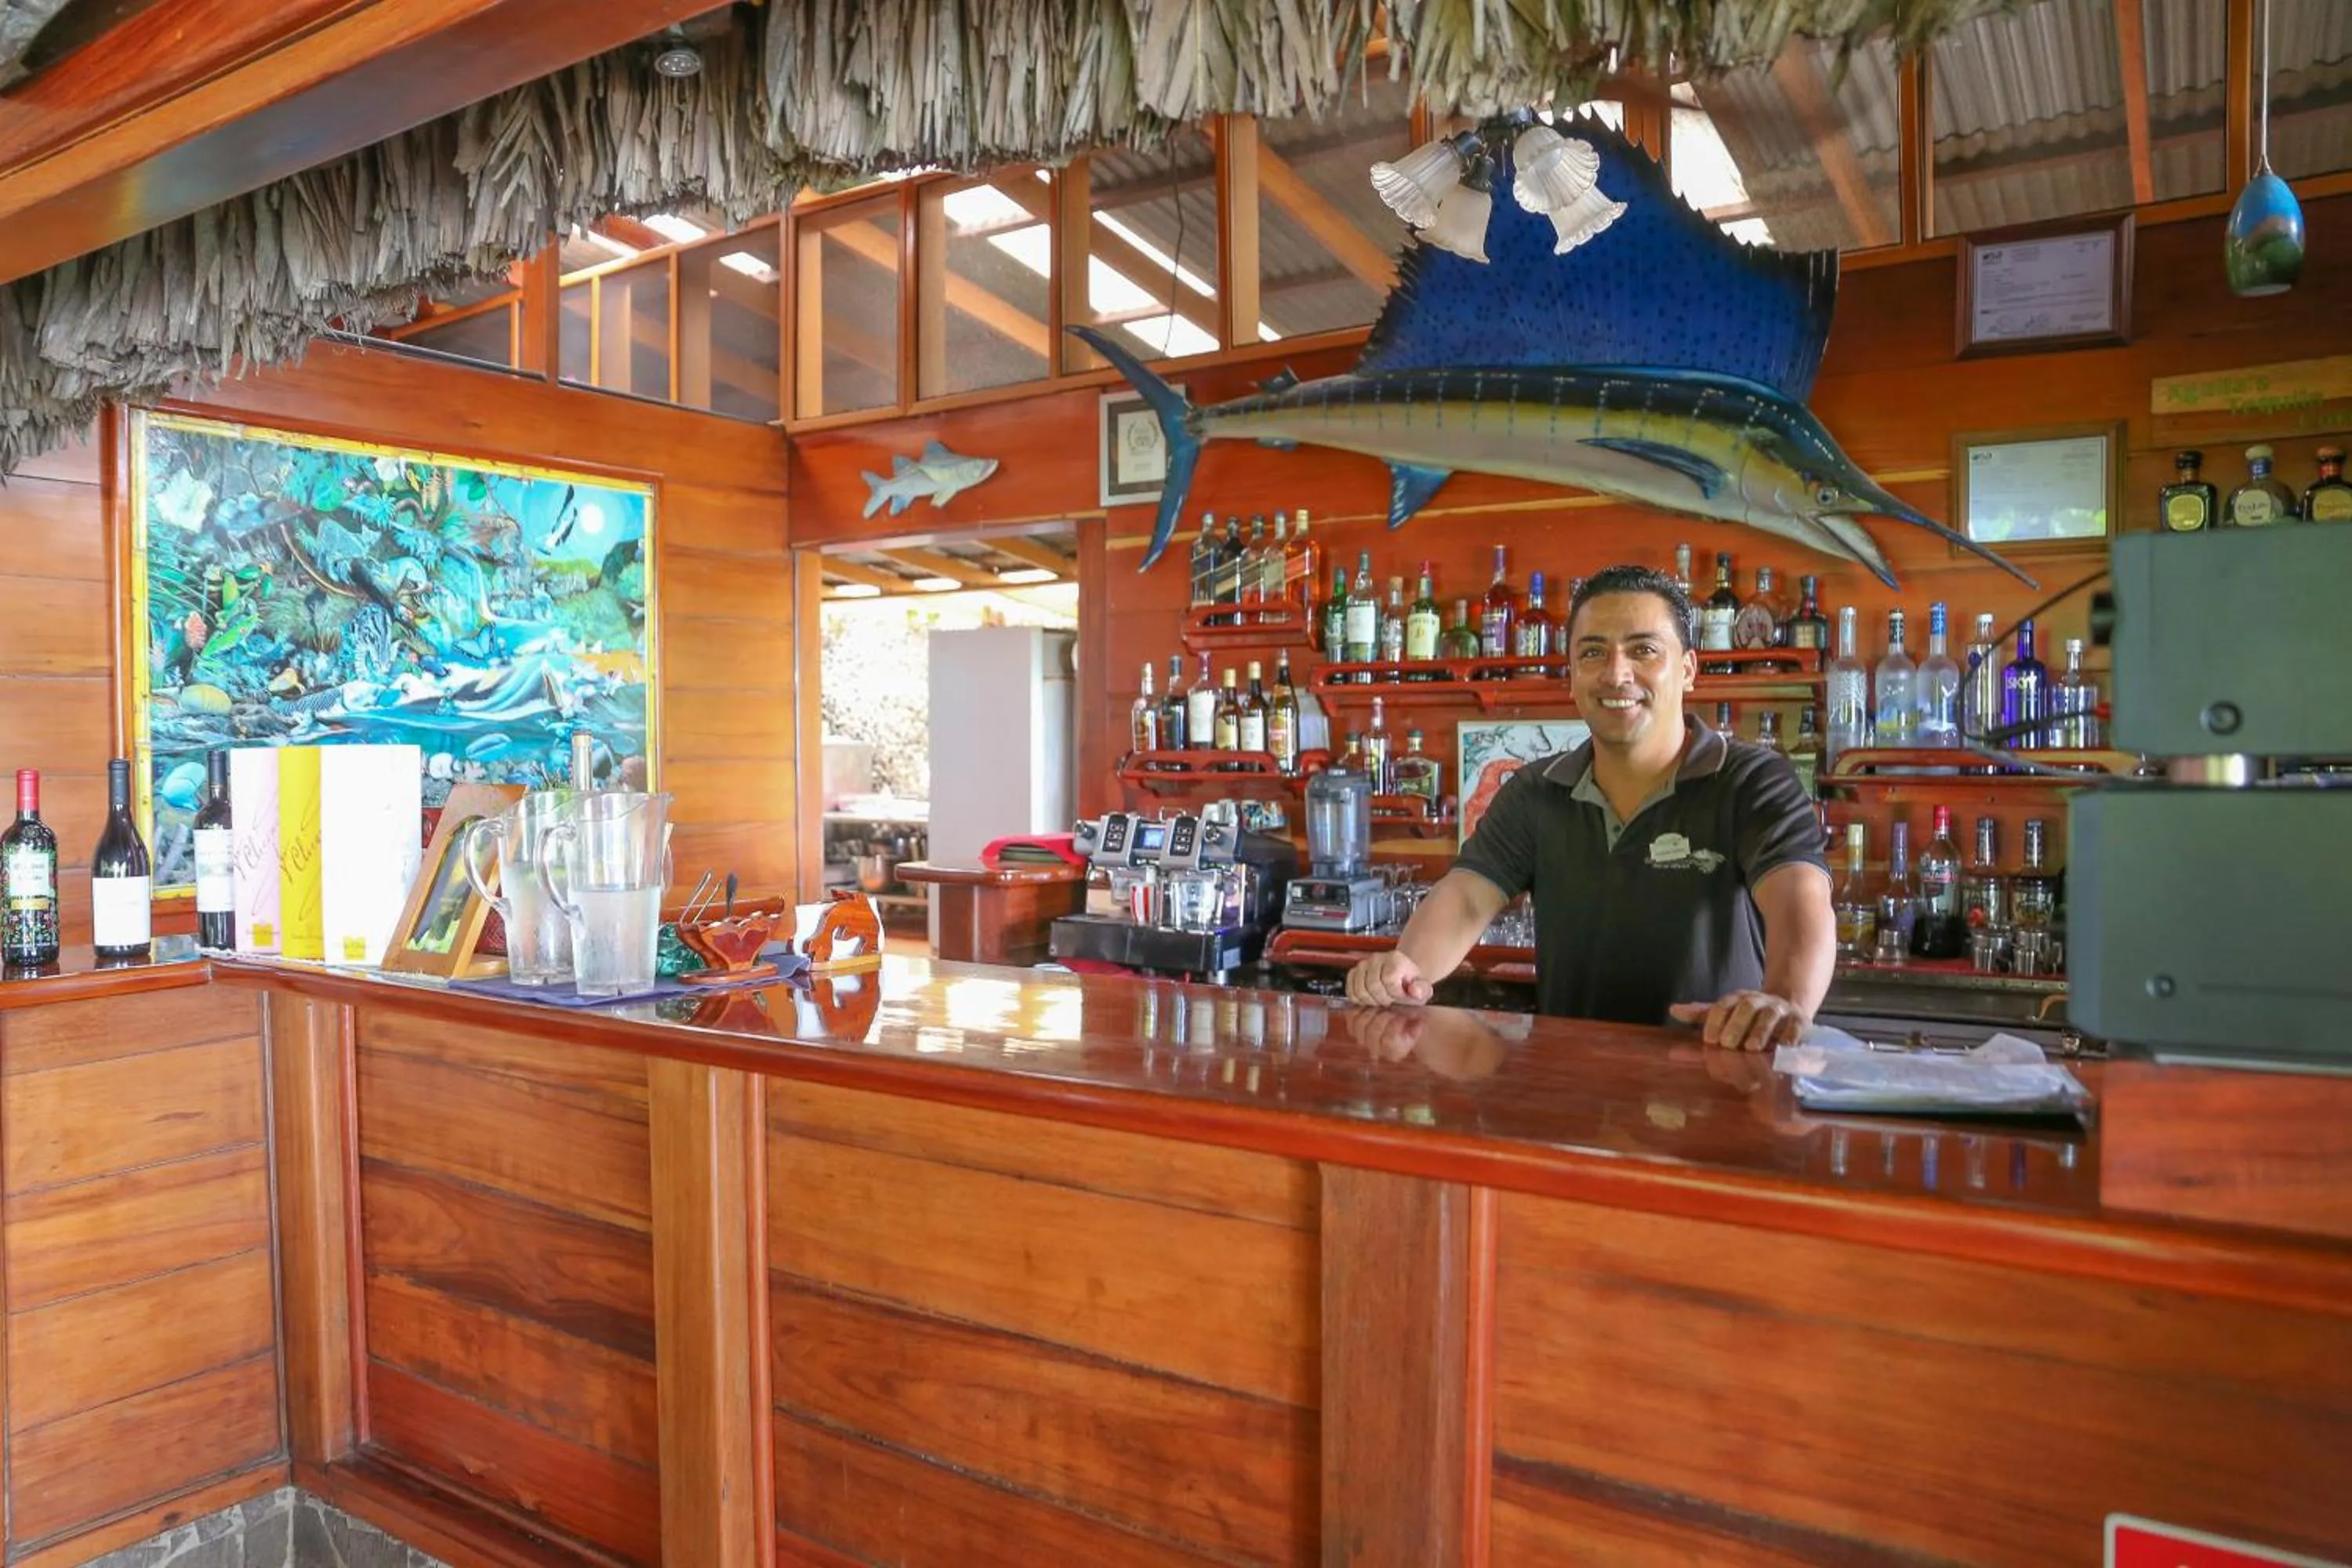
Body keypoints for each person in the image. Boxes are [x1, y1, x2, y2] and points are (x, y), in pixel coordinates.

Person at [1345, 564, 1835, 1051]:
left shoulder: (1750, 780)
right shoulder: (1537, 790)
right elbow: (1469, 896)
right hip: (1574, 1087)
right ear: (1573, 675)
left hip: (1717, 1077)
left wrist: (1783, 1001)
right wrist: (1405, 970)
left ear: (1687, 670)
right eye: (1593, 652)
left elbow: (1798, 899)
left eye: (1643, 650)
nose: (1617, 673)